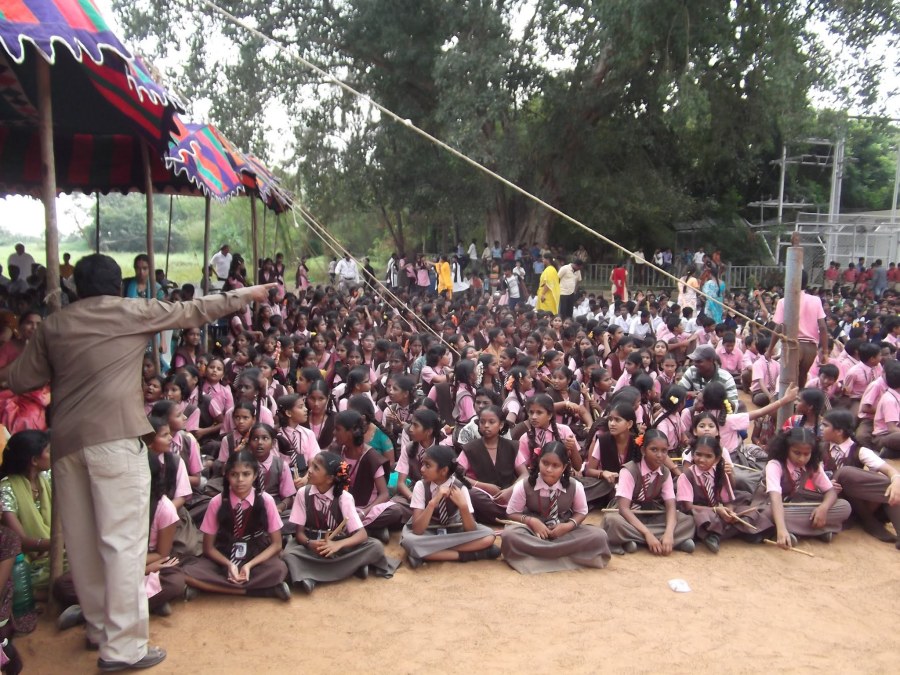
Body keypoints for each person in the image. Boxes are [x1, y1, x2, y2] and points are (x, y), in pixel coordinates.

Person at [0, 254, 274, 672]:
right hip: (115, 440)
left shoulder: (55, 324)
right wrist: (246, 294)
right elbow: (194, 309)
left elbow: (21, 378)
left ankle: (98, 629)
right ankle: (123, 649)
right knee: (123, 545)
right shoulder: (131, 311)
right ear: (118, 286)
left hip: (67, 445)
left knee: (83, 543)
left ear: (77, 289)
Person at [283, 451, 398, 593]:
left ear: (330, 479)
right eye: (311, 466)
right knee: (288, 555)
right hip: (311, 544)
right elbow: (299, 533)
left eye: (316, 468)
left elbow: (362, 535)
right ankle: (354, 567)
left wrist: (337, 545)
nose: (309, 471)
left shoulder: (344, 498)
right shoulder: (303, 493)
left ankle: (310, 574)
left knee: (376, 546)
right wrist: (309, 543)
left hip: (337, 543)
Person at [182, 449, 290, 601]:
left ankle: (208, 587)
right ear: (227, 475)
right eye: (234, 474)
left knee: (279, 569)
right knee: (187, 572)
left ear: (255, 475)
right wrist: (229, 565)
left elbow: (277, 545)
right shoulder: (217, 502)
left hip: (256, 553)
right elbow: (208, 548)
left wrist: (249, 566)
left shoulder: (266, 500)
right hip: (224, 553)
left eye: (246, 474)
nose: (240, 480)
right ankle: (262, 591)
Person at [501, 442, 611, 573]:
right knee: (509, 535)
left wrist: (568, 526)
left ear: (564, 467)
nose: (548, 469)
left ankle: (538, 556)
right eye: (545, 463)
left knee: (599, 536)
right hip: (534, 532)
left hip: (563, 530)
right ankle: (566, 556)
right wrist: (532, 521)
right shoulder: (525, 485)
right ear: (539, 461)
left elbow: (581, 512)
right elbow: (512, 513)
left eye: (555, 465)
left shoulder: (575, 486)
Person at [400, 445, 499, 568]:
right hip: (428, 531)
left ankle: (426, 553)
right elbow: (417, 530)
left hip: (454, 529)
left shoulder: (460, 488)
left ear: (443, 470)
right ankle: (472, 555)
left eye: (428, 465)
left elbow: (470, 530)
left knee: (489, 535)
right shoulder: (420, 486)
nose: (422, 469)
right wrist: (433, 503)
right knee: (410, 542)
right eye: (423, 464)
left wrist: (463, 507)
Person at [602, 428, 696, 555]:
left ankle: (635, 540)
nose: (660, 455)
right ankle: (664, 540)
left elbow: (671, 506)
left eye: (664, 451)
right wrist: (647, 534)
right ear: (643, 450)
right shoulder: (629, 470)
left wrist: (669, 533)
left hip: (652, 513)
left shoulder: (665, 472)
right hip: (629, 514)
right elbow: (624, 509)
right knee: (612, 521)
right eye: (654, 450)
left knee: (688, 521)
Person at [764, 428, 851, 547]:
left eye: (806, 454)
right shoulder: (775, 465)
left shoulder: (812, 465)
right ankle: (816, 530)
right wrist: (781, 528)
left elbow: (830, 491)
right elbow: (775, 499)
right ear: (786, 449)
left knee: (844, 506)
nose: (802, 459)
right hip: (772, 505)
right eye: (797, 453)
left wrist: (823, 509)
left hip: (795, 506)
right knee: (768, 514)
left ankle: (795, 530)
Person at [766, 271, 828, 388]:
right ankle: (799, 397)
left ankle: (787, 399)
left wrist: (769, 349)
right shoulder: (816, 300)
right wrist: (825, 352)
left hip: (792, 346)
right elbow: (823, 327)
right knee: (802, 378)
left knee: (788, 381)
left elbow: (779, 327)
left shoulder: (783, 301)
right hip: (811, 348)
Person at [678, 345, 740, 411]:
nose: (695, 364)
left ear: (711, 360)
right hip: (696, 411)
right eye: (694, 361)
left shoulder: (726, 378)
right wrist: (689, 394)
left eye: (699, 361)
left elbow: (734, 407)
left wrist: (716, 397)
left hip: (718, 413)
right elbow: (677, 393)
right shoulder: (692, 371)